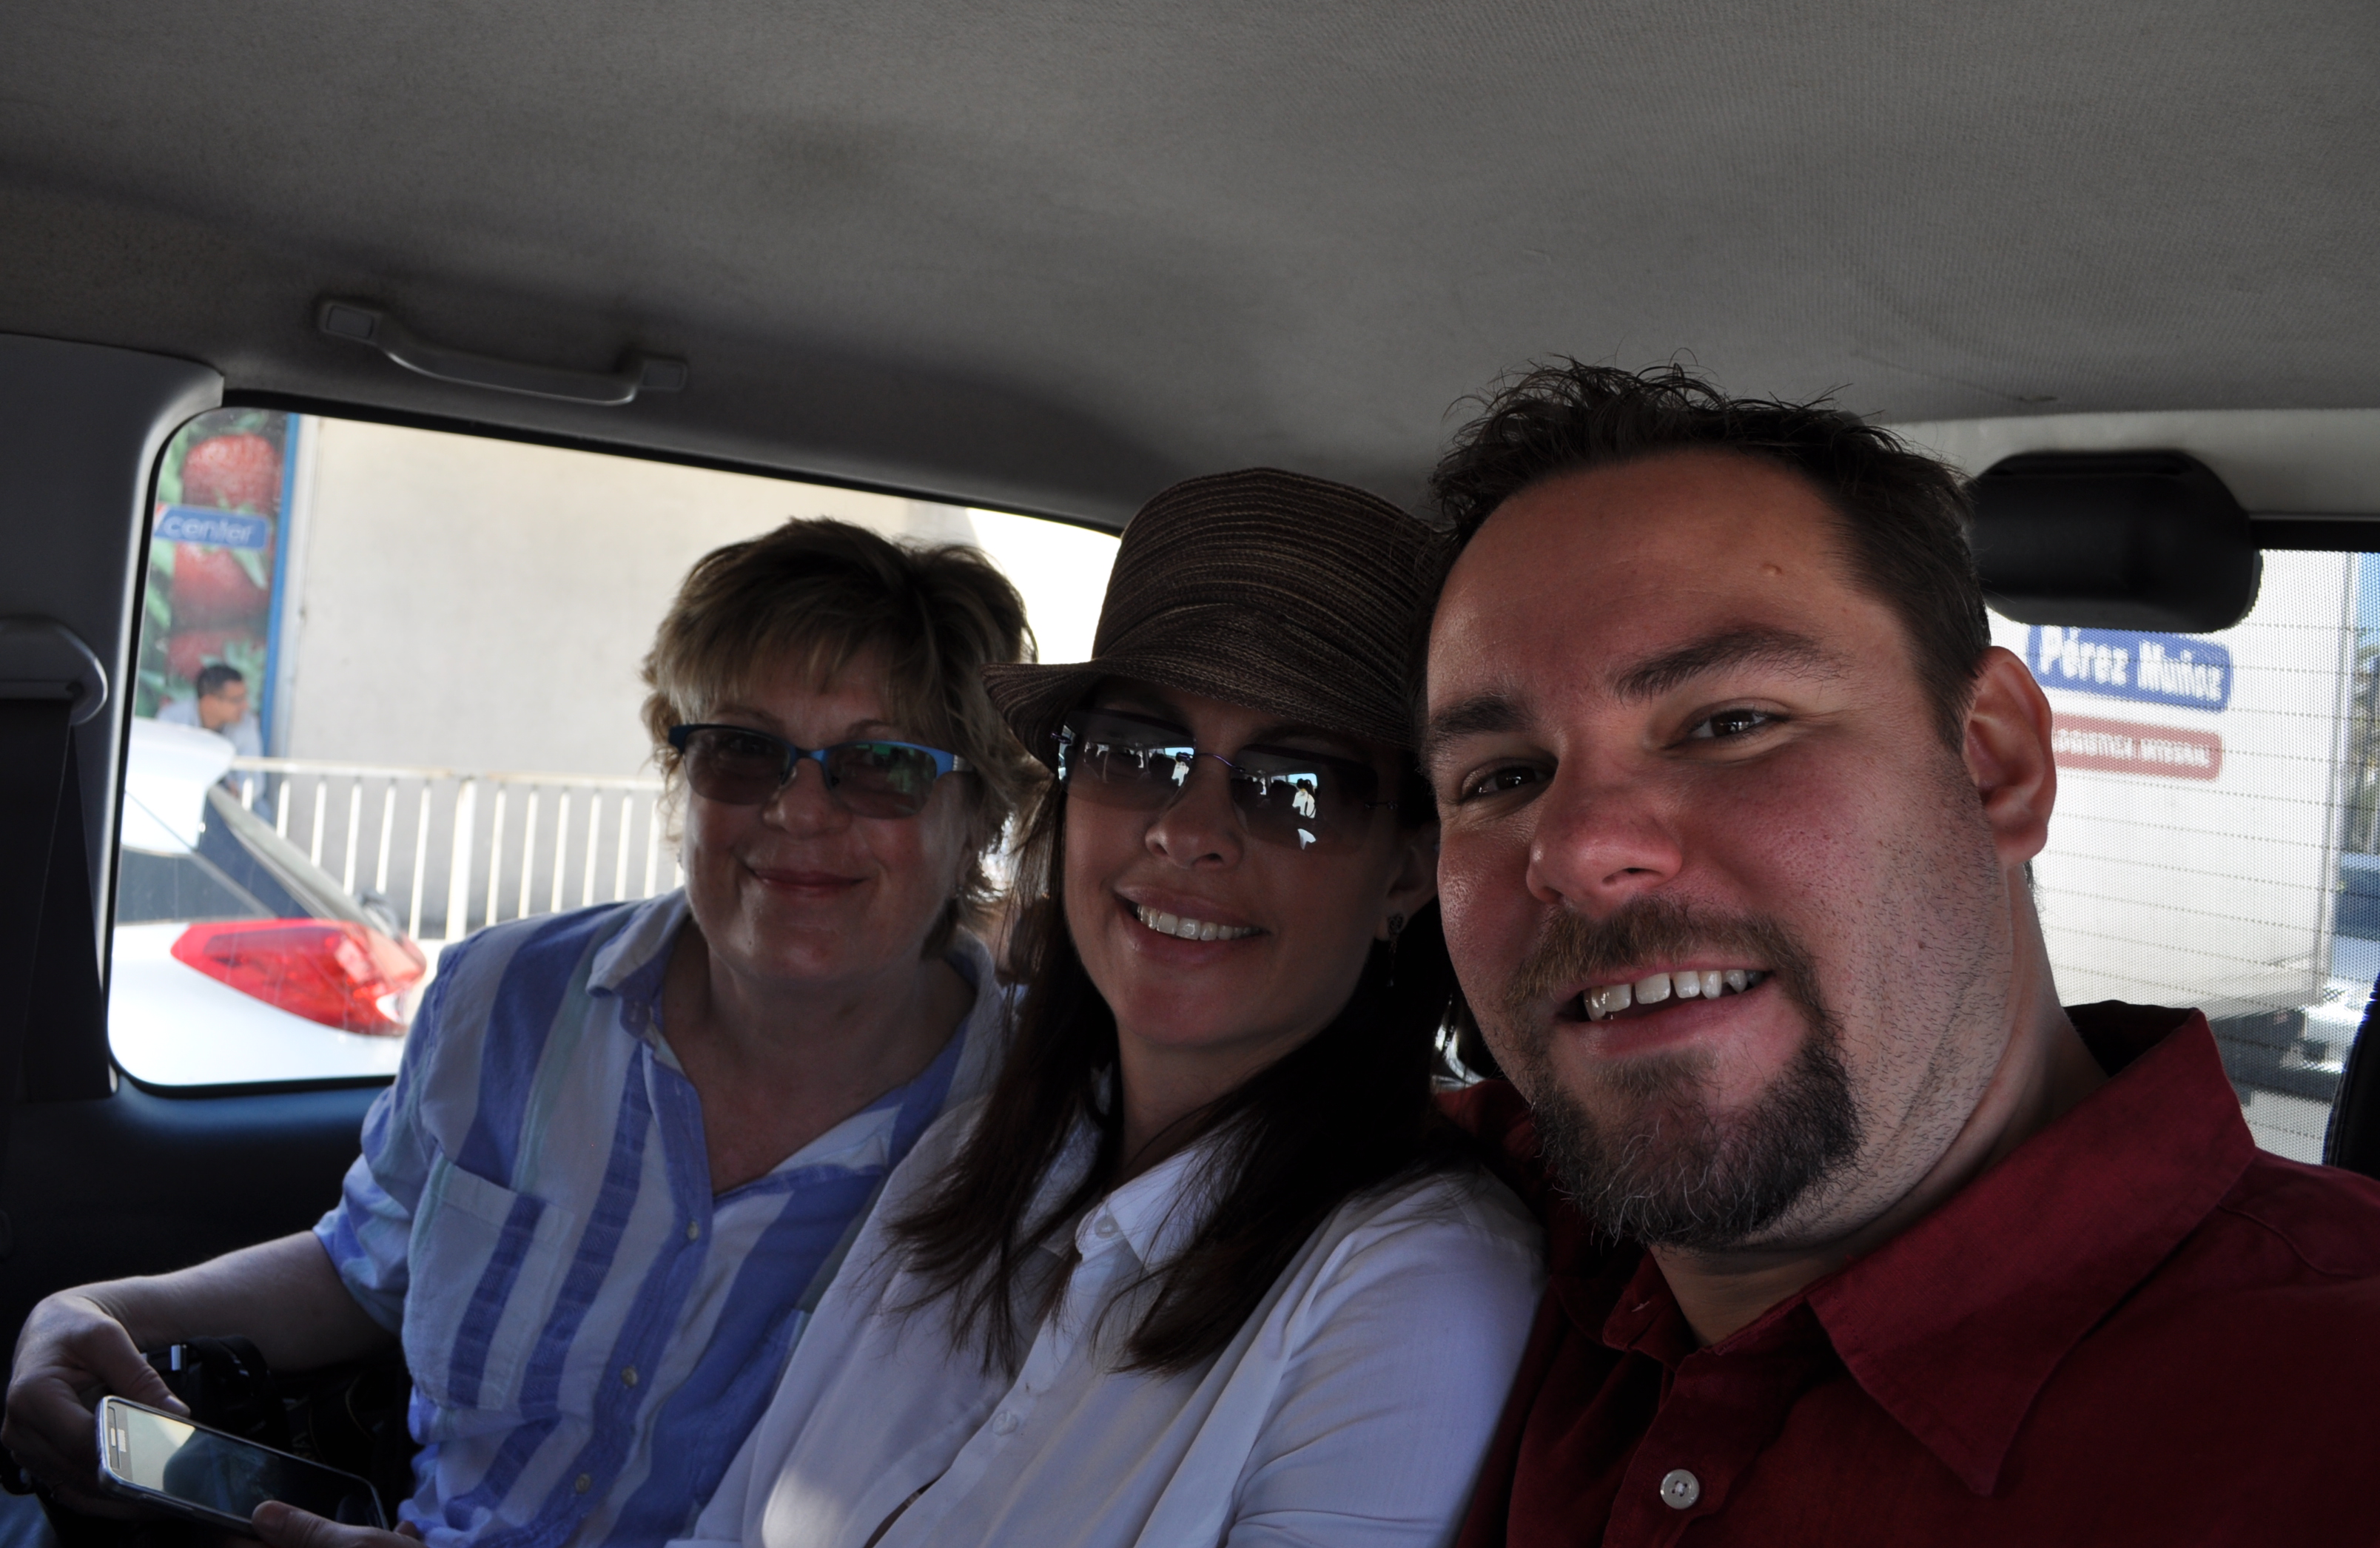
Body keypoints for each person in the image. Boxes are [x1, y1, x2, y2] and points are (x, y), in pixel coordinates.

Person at [1416, 363, 2380, 1544]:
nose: (1575, 850)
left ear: (1994, 765)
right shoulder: (1441, 1221)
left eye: (1730, 723)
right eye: (1502, 778)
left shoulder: (2339, 1409)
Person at [3, 519, 1040, 1548]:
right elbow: (366, 1262)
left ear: (980, 819)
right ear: (681, 774)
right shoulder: (509, 1000)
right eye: (742, 750)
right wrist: (104, 1312)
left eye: (882, 765)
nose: (799, 811)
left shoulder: (1040, 1142)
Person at [668, 470, 1543, 1548]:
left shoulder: (1420, 1288)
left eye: (1296, 788)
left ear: (1406, 871)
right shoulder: (963, 1167)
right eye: (1134, 755)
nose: (1188, 829)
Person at [155, 663, 261, 756]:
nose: (246, 706)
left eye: (244, 698)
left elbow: (251, 769)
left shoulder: (246, 721)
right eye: (237, 700)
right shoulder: (172, 720)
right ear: (209, 702)